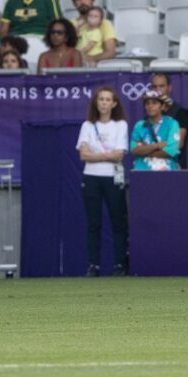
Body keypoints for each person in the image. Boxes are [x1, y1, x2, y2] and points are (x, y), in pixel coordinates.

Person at [76, 87, 129, 277]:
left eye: (108, 100)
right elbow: (83, 155)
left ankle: (120, 264)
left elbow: (120, 154)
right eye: (101, 99)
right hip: (91, 176)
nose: (104, 103)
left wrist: (95, 154)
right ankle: (93, 265)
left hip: (112, 177)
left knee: (118, 222)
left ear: (114, 104)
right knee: (93, 223)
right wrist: (107, 155)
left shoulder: (120, 125)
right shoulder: (87, 126)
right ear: (96, 103)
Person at [130, 90, 181, 171]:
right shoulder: (139, 125)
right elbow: (134, 150)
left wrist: (145, 150)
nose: (150, 106)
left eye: (154, 103)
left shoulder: (172, 124)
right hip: (142, 172)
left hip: (167, 173)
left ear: (163, 106)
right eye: (147, 103)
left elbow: (170, 152)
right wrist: (157, 146)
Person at [150, 73, 188, 169]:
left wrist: (150, 149)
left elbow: (178, 144)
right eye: (154, 86)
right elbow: (141, 143)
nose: (158, 90)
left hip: (174, 167)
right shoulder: (149, 114)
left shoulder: (181, 112)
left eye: (162, 86)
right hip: (151, 167)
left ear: (169, 88)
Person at [71, 0, 116, 66]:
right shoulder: (70, 24)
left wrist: (88, 59)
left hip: (97, 67)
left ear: (92, 0)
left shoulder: (105, 23)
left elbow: (110, 53)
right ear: (74, 3)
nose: (82, 1)